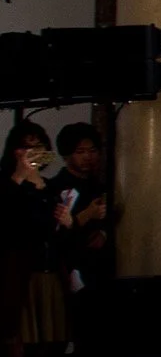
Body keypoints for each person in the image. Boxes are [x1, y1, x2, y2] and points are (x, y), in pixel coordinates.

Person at [2, 121, 71, 357]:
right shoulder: (8, 183)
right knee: (16, 348)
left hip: (47, 274)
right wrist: (19, 176)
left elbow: (53, 230)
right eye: (26, 146)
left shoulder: (50, 187)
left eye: (38, 146)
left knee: (48, 348)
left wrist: (69, 220)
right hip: (18, 274)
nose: (32, 153)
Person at [48, 122, 111, 296]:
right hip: (68, 269)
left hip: (99, 268)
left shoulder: (100, 186)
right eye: (80, 152)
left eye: (92, 151)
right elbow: (56, 233)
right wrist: (87, 215)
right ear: (67, 155)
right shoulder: (56, 187)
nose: (88, 157)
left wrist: (103, 233)